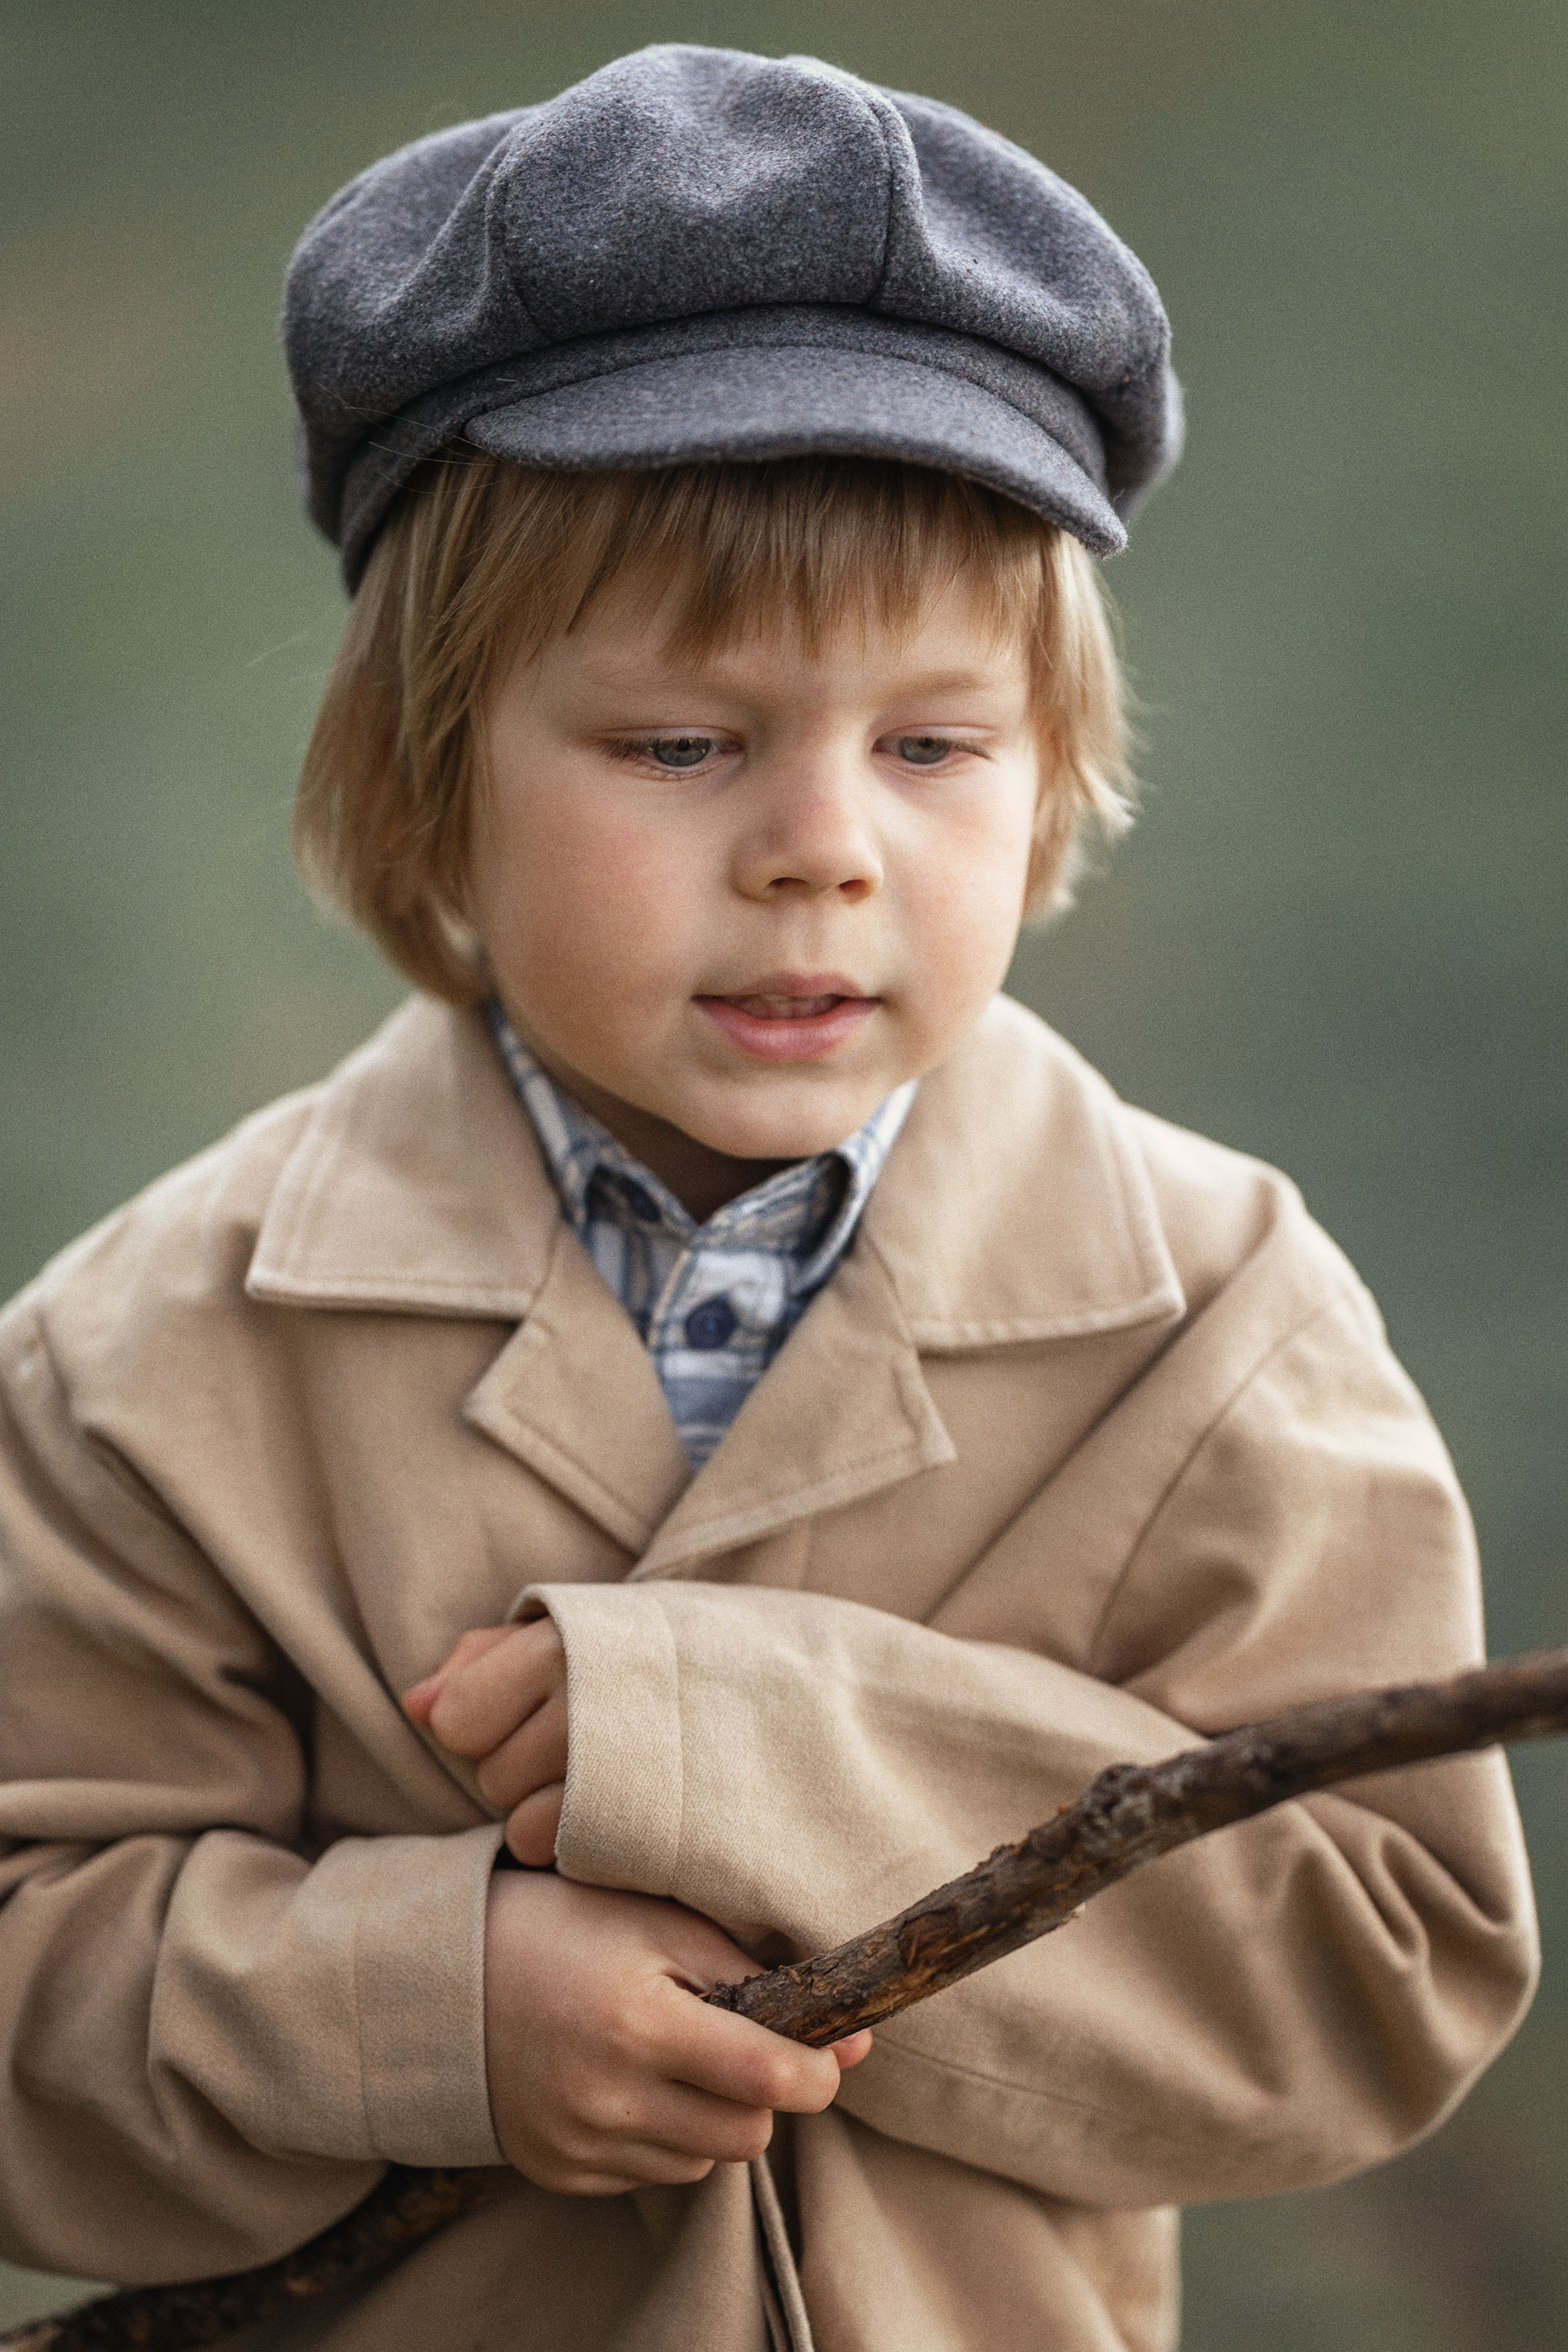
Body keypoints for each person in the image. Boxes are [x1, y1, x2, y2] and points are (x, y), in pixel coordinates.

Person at [0, 43, 1537, 2352]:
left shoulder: (1219, 1316)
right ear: (434, 783)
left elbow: (1378, 1958)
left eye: (932, 745)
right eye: (681, 744)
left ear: (1045, 791)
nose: (822, 841)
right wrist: (430, 2007)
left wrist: (736, 1737)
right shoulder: (153, 1355)